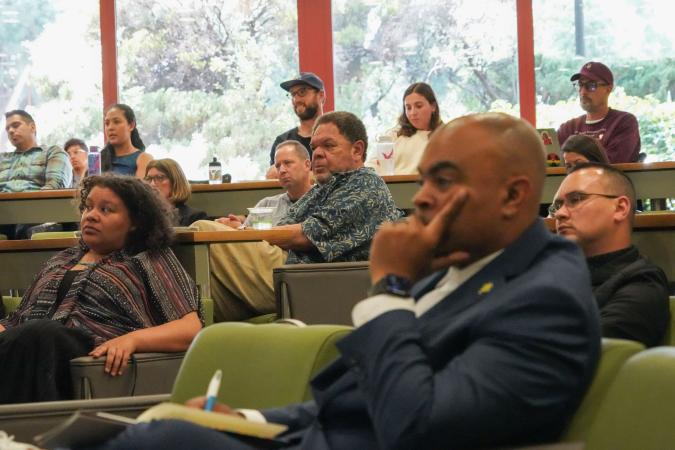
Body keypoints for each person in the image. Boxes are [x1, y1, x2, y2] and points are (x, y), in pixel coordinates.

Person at [95, 113, 600, 450]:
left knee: (159, 442)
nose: (421, 199)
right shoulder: (465, 268)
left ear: (514, 197)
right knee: (156, 426)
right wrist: (244, 419)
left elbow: (416, 425)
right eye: (423, 180)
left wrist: (391, 291)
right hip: (303, 437)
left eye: (443, 182)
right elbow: (345, 404)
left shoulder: (544, 296)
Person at [0, 175, 202, 404]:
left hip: (86, 348)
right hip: (29, 346)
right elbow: (18, 319)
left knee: (41, 334)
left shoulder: (148, 259)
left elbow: (191, 328)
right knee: (34, 335)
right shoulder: (61, 260)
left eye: (106, 210)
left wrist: (132, 340)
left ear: (135, 221)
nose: (91, 216)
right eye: (88, 207)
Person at [192, 112, 401, 322]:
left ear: (357, 150)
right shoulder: (322, 188)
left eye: (328, 146)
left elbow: (302, 235)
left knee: (202, 230)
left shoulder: (365, 183)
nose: (317, 154)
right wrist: (241, 231)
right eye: (314, 148)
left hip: (309, 280)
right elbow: (283, 227)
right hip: (289, 271)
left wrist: (241, 234)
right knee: (199, 302)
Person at [550, 162, 669, 347]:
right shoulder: (550, 276)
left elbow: (570, 356)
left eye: (576, 199)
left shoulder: (642, 284)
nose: (560, 214)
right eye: (557, 205)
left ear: (620, 208)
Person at [215, 140, 312, 229]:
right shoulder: (265, 205)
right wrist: (238, 227)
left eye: (288, 163)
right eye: (278, 166)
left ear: (307, 165)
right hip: (261, 248)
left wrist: (241, 229)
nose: (282, 170)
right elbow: (247, 242)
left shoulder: (323, 200)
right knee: (204, 225)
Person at [557, 61, 641, 163]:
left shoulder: (623, 122)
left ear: (608, 89)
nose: (583, 92)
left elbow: (613, 164)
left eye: (591, 86)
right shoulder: (567, 128)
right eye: (580, 85)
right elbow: (553, 163)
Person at [366, 82, 442, 175]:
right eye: (408, 108)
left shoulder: (444, 136)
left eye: (418, 106)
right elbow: (370, 165)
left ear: (433, 106)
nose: (413, 113)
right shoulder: (394, 135)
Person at [267, 72, 325, 179]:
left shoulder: (337, 135)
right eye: (293, 94)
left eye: (302, 92)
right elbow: (272, 175)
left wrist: (294, 175)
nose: (296, 100)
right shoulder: (283, 141)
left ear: (321, 96)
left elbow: (340, 175)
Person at [0, 110, 72, 192]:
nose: (10, 131)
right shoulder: (1, 158)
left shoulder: (53, 152)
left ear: (32, 127)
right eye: (7, 129)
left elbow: (54, 188)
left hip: (40, 203)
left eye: (15, 125)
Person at [144, 158, 208, 226]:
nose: (152, 184)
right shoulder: (141, 217)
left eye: (160, 177)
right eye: (148, 179)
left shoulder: (195, 217)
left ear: (175, 182)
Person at [101, 104, 153, 178]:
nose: (110, 127)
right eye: (107, 123)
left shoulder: (143, 159)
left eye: (116, 122)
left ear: (131, 125)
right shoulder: (97, 159)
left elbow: (139, 189)